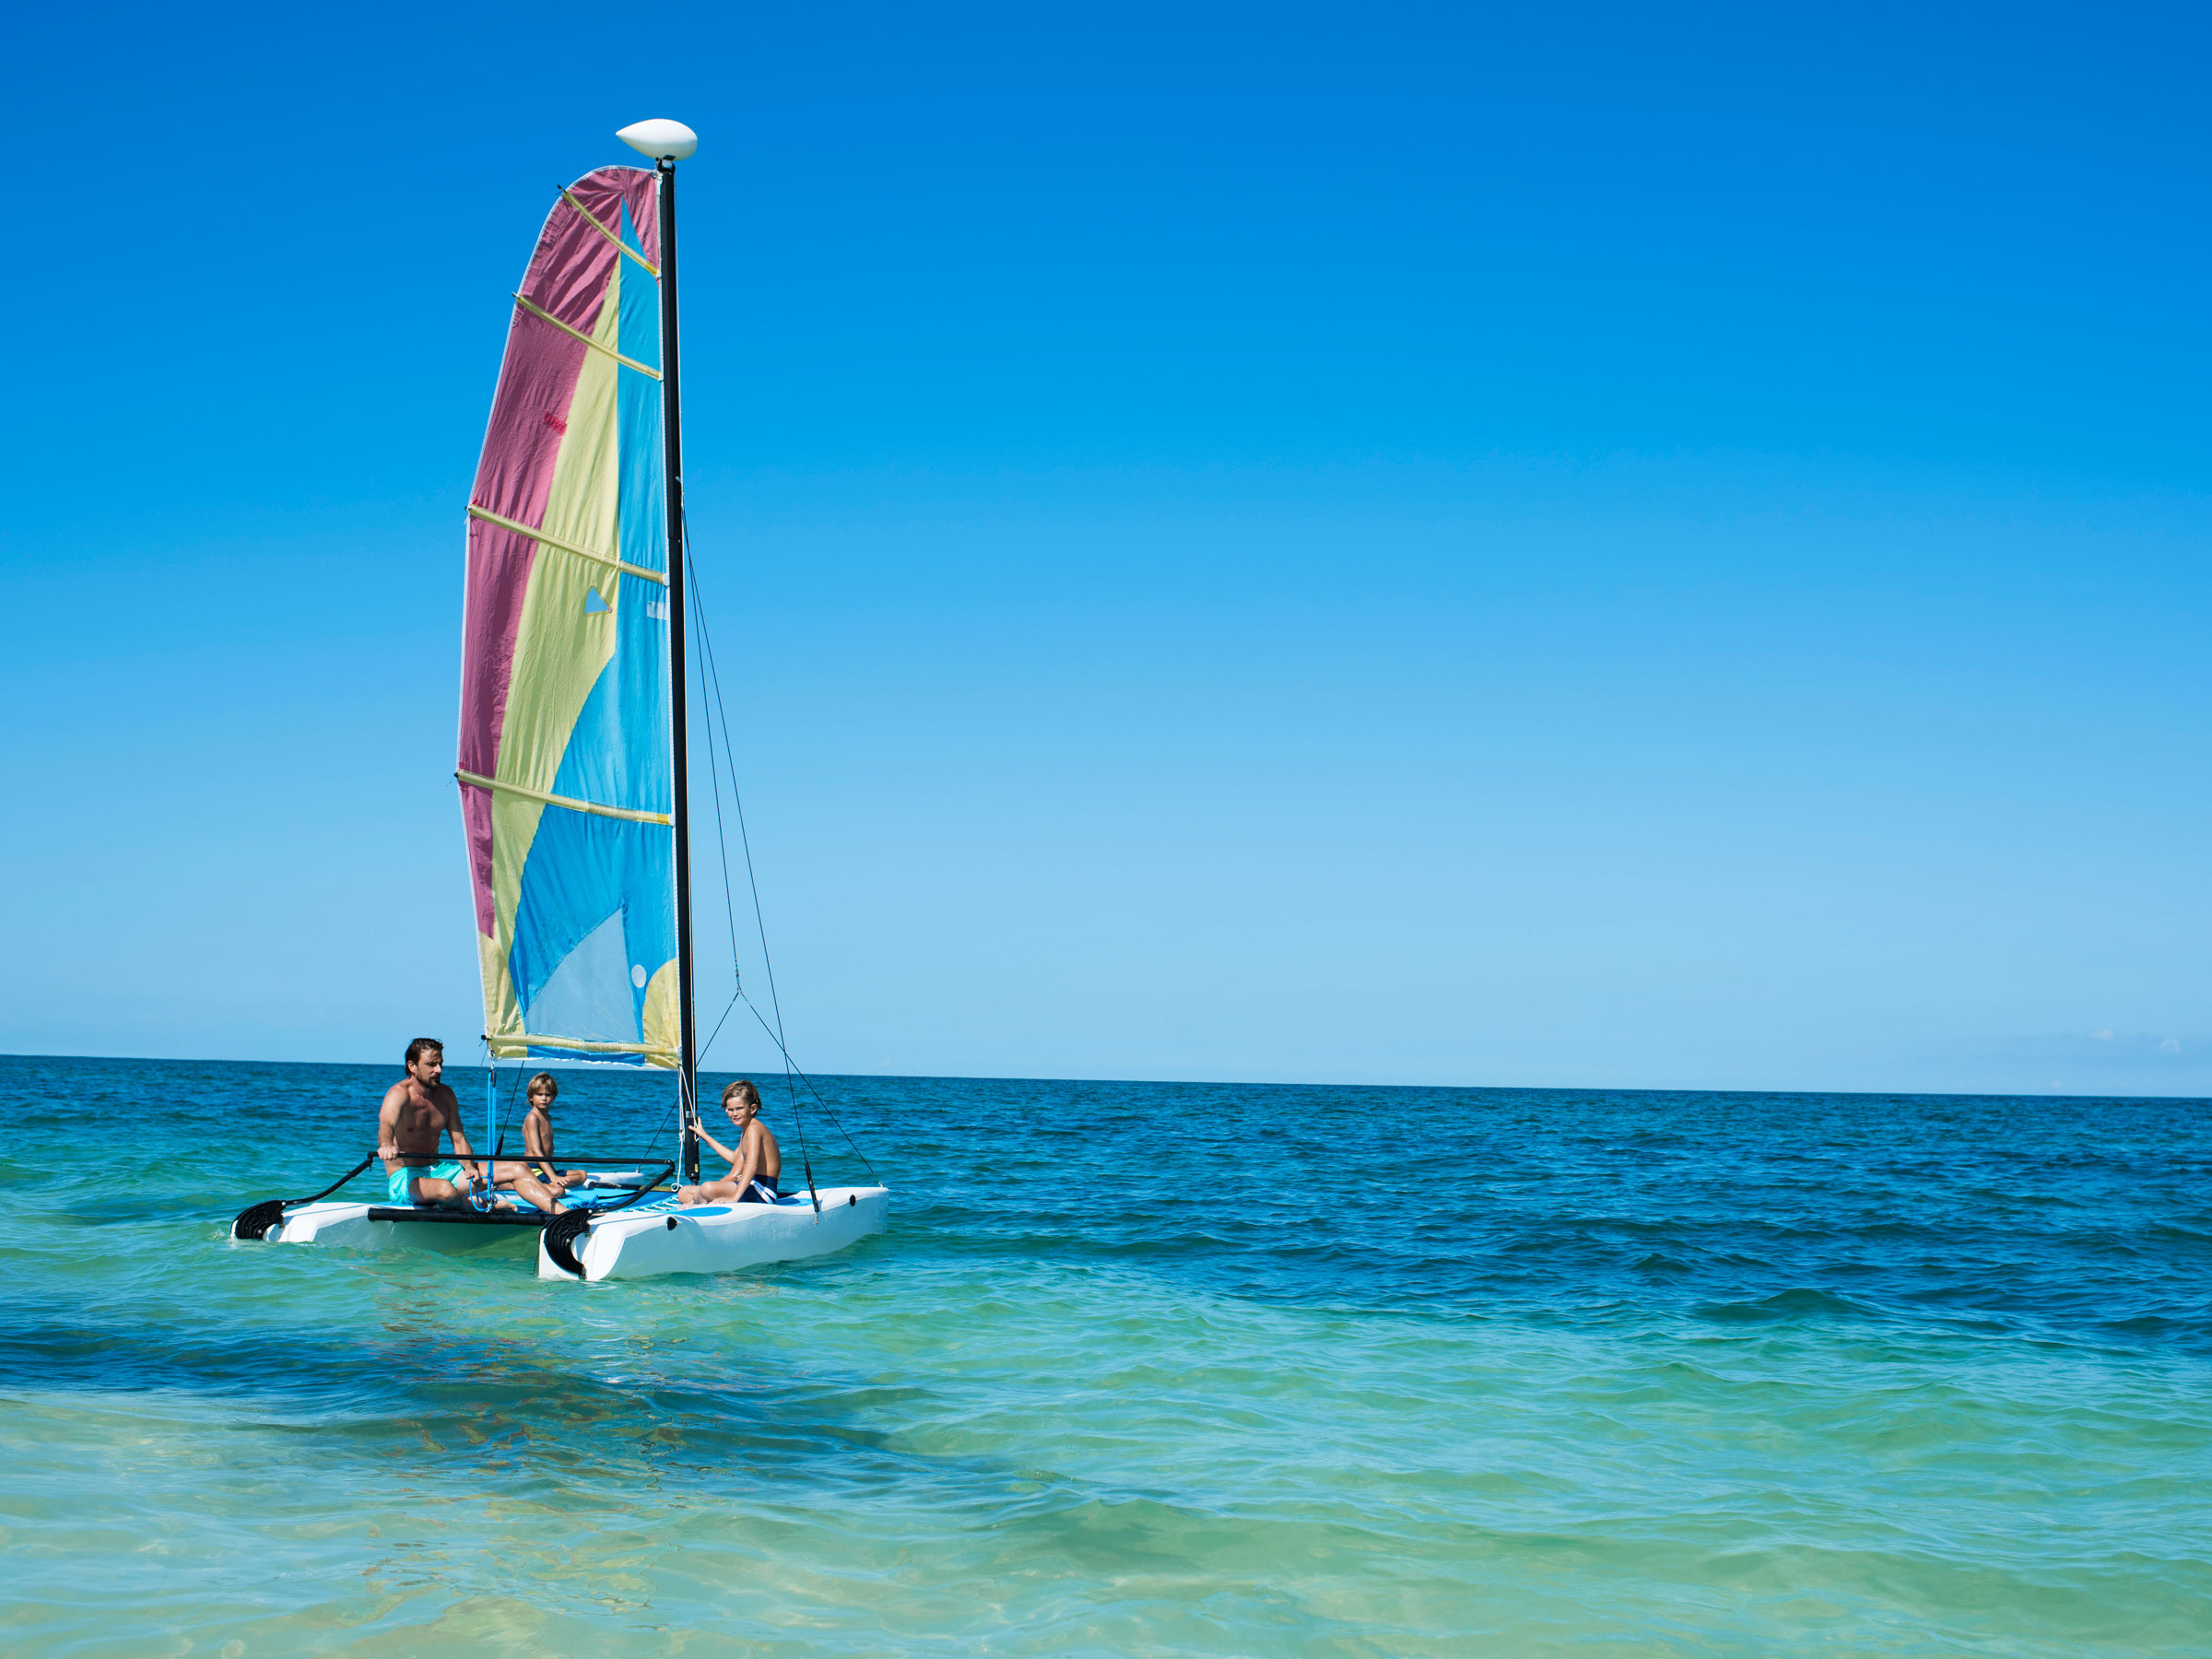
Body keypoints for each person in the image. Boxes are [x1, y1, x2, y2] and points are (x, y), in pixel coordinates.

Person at [376, 1039, 483, 1207]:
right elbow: (386, 1125)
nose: (439, 1070)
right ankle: (479, 1205)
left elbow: (459, 1139)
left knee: (515, 1170)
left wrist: (469, 1167)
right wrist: (386, 1144)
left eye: (440, 1064)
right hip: (406, 1177)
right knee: (446, 1190)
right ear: (412, 1066)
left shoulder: (446, 1094)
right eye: (432, 1064)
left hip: (439, 1169)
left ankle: (539, 1218)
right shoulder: (399, 1094)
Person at [489, 1072, 587, 1215]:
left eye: (547, 1095)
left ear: (553, 1097)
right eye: (539, 1094)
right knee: (558, 1190)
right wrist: (553, 1177)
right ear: (531, 1097)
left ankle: (544, 1180)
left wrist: (553, 1173)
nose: (544, 1098)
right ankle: (510, 1184)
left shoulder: (547, 1117)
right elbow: (537, 1151)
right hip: (534, 1166)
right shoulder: (532, 1118)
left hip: (546, 1166)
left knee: (582, 1175)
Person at [677, 1080, 782, 1206]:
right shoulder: (746, 1130)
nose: (735, 1114)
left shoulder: (754, 1129)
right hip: (751, 1186)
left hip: (763, 1192)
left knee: (706, 1189)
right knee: (684, 1192)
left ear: (752, 1108)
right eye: (730, 1109)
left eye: (739, 1109)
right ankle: (698, 1201)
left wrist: (734, 1197)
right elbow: (735, 1159)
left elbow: (751, 1165)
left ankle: (697, 1206)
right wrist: (705, 1136)